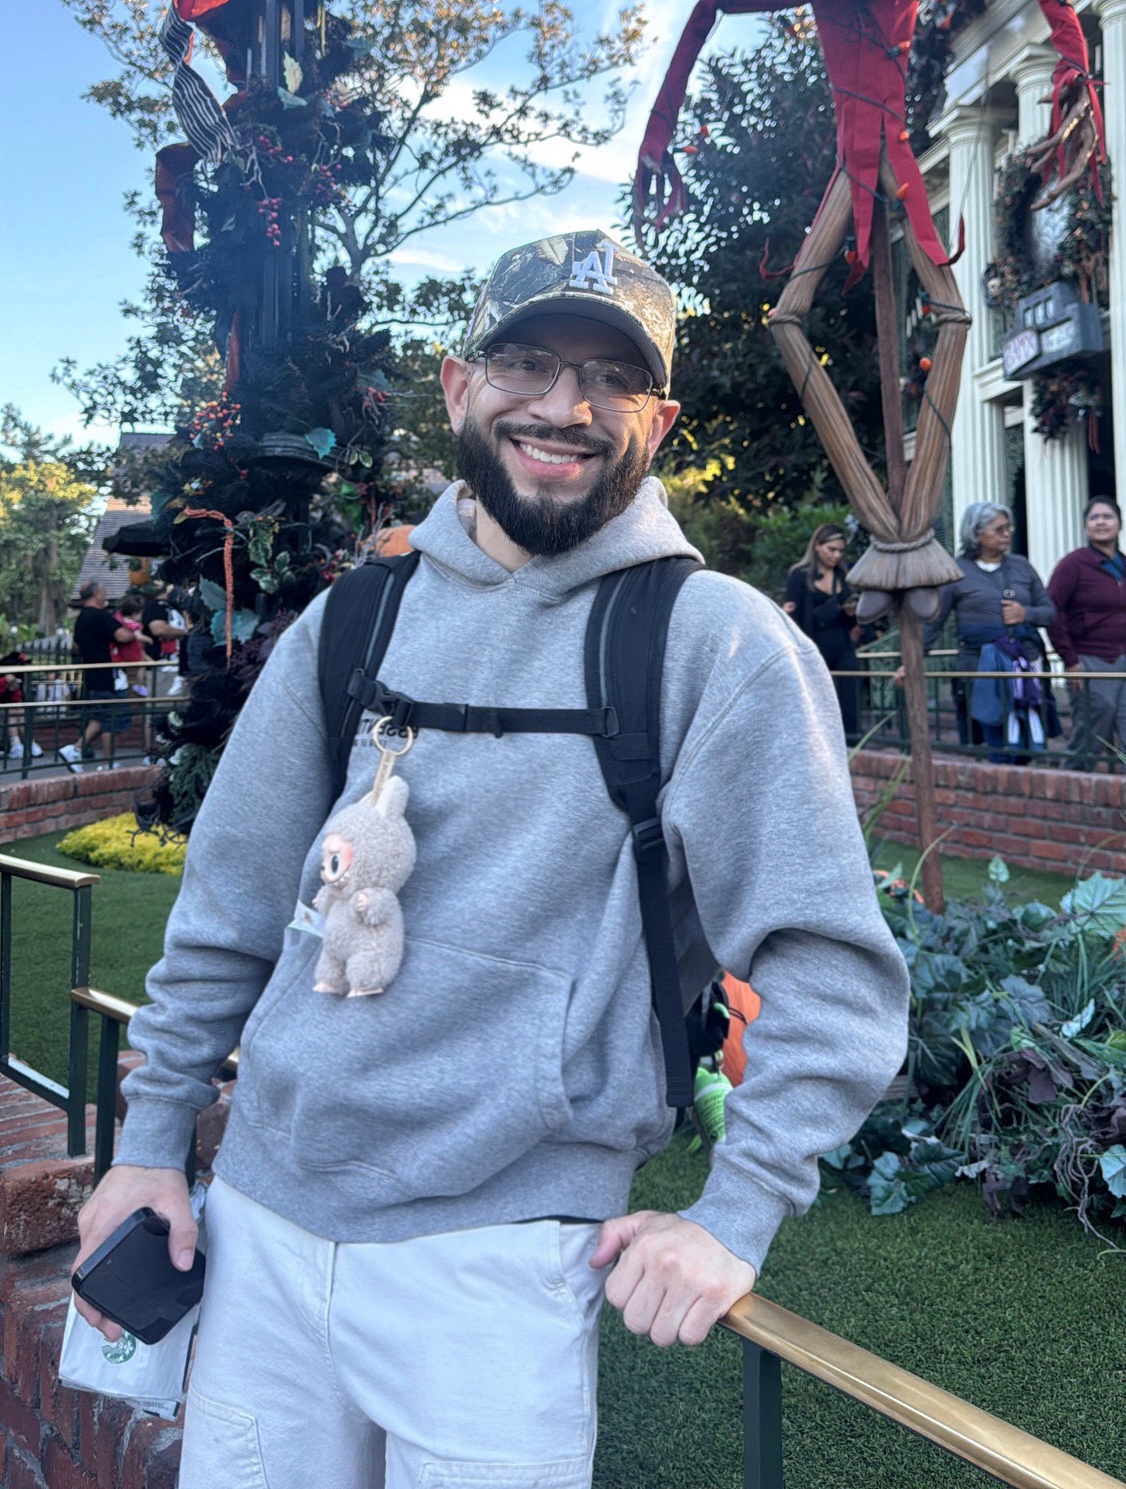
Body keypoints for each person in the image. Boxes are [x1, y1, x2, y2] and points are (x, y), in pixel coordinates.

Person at [71, 230, 909, 1489]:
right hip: (260, 1221)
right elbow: (228, 905)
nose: (563, 406)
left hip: (505, 1259)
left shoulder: (720, 646)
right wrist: (151, 1139)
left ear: (659, 422)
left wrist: (736, 1211)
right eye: (526, 362)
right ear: (461, 387)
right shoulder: (351, 621)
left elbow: (832, 969)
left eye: (610, 377)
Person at [921, 503, 1055, 760]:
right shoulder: (955, 571)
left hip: (1023, 664)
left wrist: (1026, 614)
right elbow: (934, 621)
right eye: (999, 529)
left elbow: (1049, 612)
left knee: (1025, 746)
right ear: (976, 534)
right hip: (978, 667)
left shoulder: (1021, 566)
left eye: (1008, 528)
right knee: (993, 741)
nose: (1007, 534)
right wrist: (912, 660)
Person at [1047, 495, 1126, 768]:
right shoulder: (1074, 564)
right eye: (1094, 517)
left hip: (1124, 659)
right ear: (1086, 526)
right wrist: (1070, 660)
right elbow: (1051, 611)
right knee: (1093, 730)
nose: (1101, 522)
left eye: (1108, 516)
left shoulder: (1123, 564)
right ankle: (1071, 783)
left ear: (1119, 523)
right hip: (1090, 660)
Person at [782, 522, 863, 740]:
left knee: (851, 692)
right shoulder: (799, 575)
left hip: (842, 645)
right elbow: (792, 614)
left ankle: (853, 739)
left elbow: (849, 622)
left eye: (840, 551)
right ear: (817, 546)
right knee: (815, 702)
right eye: (831, 549)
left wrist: (850, 613)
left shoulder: (842, 576)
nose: (836, 555)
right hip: (812, 646)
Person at [62, 582, 136, 766]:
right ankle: (106, 762)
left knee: (99, 717)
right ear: (96, 593)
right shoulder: (100, 616)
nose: (105, 596)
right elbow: (122, 635)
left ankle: (76, 750)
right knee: (111, 719)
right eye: (103, 592)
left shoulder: (81, 618)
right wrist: (135, 633)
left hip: (91, 675)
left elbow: (76, 646)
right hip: (106, 676)